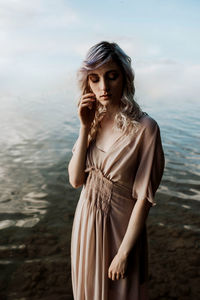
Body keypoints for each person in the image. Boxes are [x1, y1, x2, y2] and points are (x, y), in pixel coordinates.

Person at [68, 41, 165, 300]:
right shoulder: (92, 121)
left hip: (121, 231)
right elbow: (76, 180)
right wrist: (84, 127)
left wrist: (123, 253)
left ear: (124, 77)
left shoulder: (146, 128)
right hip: (85, 222)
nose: (103, 87)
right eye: (95, 79)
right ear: (87, 83)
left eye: (111, 76)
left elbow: (143, 200)